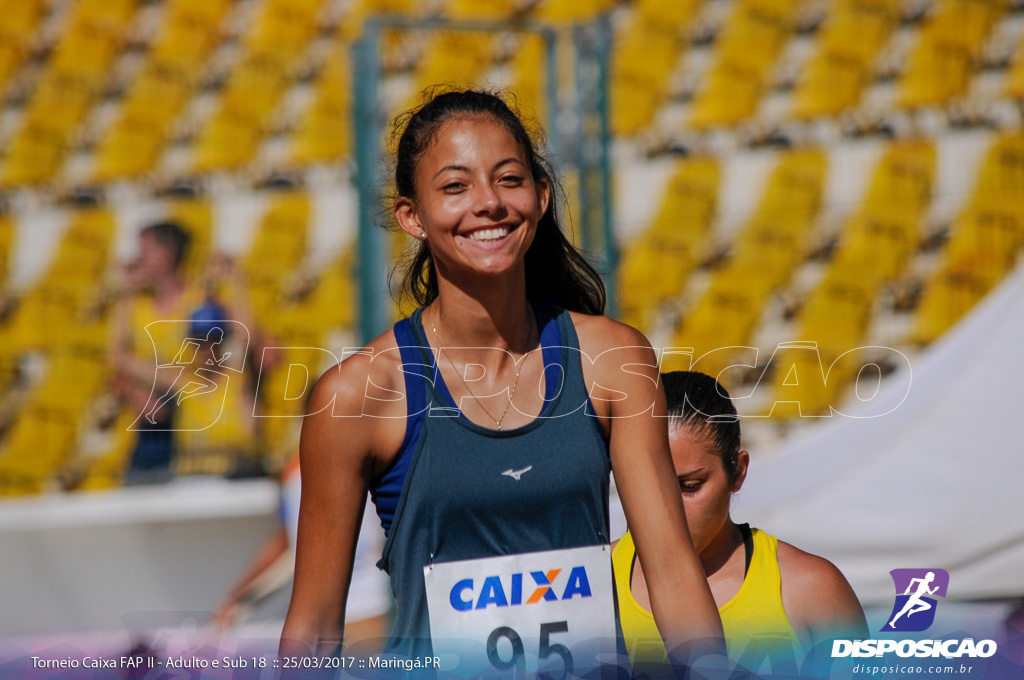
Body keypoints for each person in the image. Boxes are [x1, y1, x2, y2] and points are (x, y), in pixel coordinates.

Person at [280, 90, 724, 676]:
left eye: (508, 179)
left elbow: (671, 569)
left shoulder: (614, 359)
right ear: (412, 216)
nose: (488, 203)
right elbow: (313, 629)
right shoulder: (356, 396)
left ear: (540, 197)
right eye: (456, 186)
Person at [612, 371, 868, 677]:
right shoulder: (589, 582)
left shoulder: (809, 590)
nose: (667, 506)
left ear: (738, 472)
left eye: (690, 485)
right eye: (648, 484)